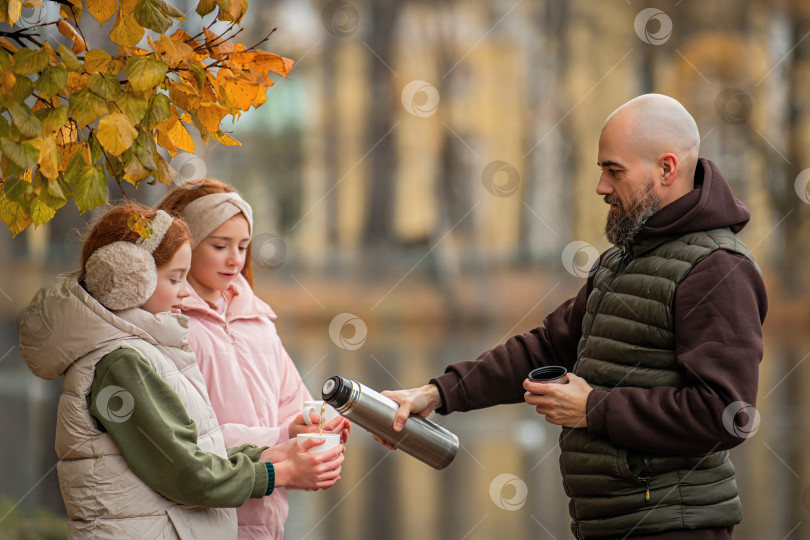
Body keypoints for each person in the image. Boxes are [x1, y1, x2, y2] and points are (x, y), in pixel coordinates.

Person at [379, 94, 768, 540]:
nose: (601, 186)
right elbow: (546, 347)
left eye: (613, 170)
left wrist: (593, 408)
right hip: (607, 525)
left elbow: (726, 413)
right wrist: (436, 394)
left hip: (672, 528)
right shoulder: (622, 260)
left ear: (666, 169)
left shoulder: (718, 269)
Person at [18, 204, 345, 539]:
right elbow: (187, 475)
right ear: (128, 280)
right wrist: (279, 474)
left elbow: (188, 453)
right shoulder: (120, 364)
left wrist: (268, 453)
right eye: (174, 278)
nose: (186, 291)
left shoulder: (138, 352)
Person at [157, 180, 351, 540]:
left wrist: (316, 427)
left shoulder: (258, 320)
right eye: (220, 246)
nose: (235, 259)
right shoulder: (170, 325)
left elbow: (293, 404)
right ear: (186, 247)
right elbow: (188, 438)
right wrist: (282, 439)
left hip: (267, 516)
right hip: (200, 520)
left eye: (244, 246)